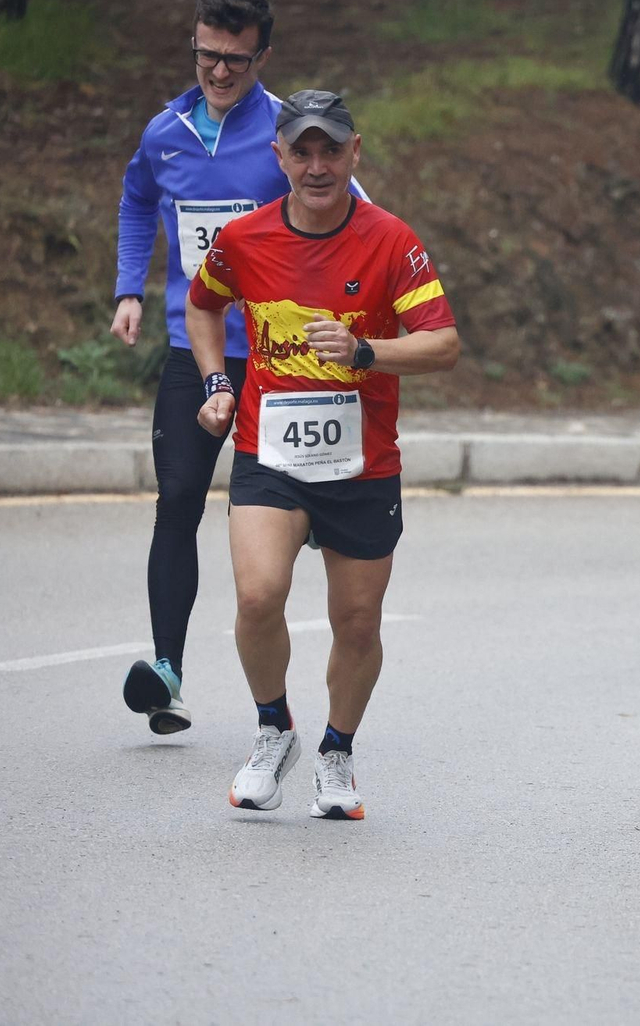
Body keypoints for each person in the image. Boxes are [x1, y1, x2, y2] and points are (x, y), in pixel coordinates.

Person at [186, 90, 459, 819]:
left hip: (362, 462)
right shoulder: (243, 240)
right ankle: (273, 727)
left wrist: (366, 350)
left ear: (354, 153)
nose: (316, 166)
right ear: (278, 156)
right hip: (268, 452)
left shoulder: (391, 240)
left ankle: (337, 751)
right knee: (257, 597)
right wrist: (217, 382)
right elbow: (202, 304)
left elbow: (443, 344)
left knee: (358, 621)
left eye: (330, 151)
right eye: (301, 152)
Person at [114, 0, 291, 734]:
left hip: (280, 358)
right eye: (207, 54)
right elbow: (136, 199)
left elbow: (353, 213)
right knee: (179, 498)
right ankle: (167, 673)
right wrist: (129, 287)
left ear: (262, 56)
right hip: (198, 347)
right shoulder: (166, 132)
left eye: (236, 60)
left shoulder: (290, 133)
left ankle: (276, 699)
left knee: (279, 516)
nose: (219, 71)